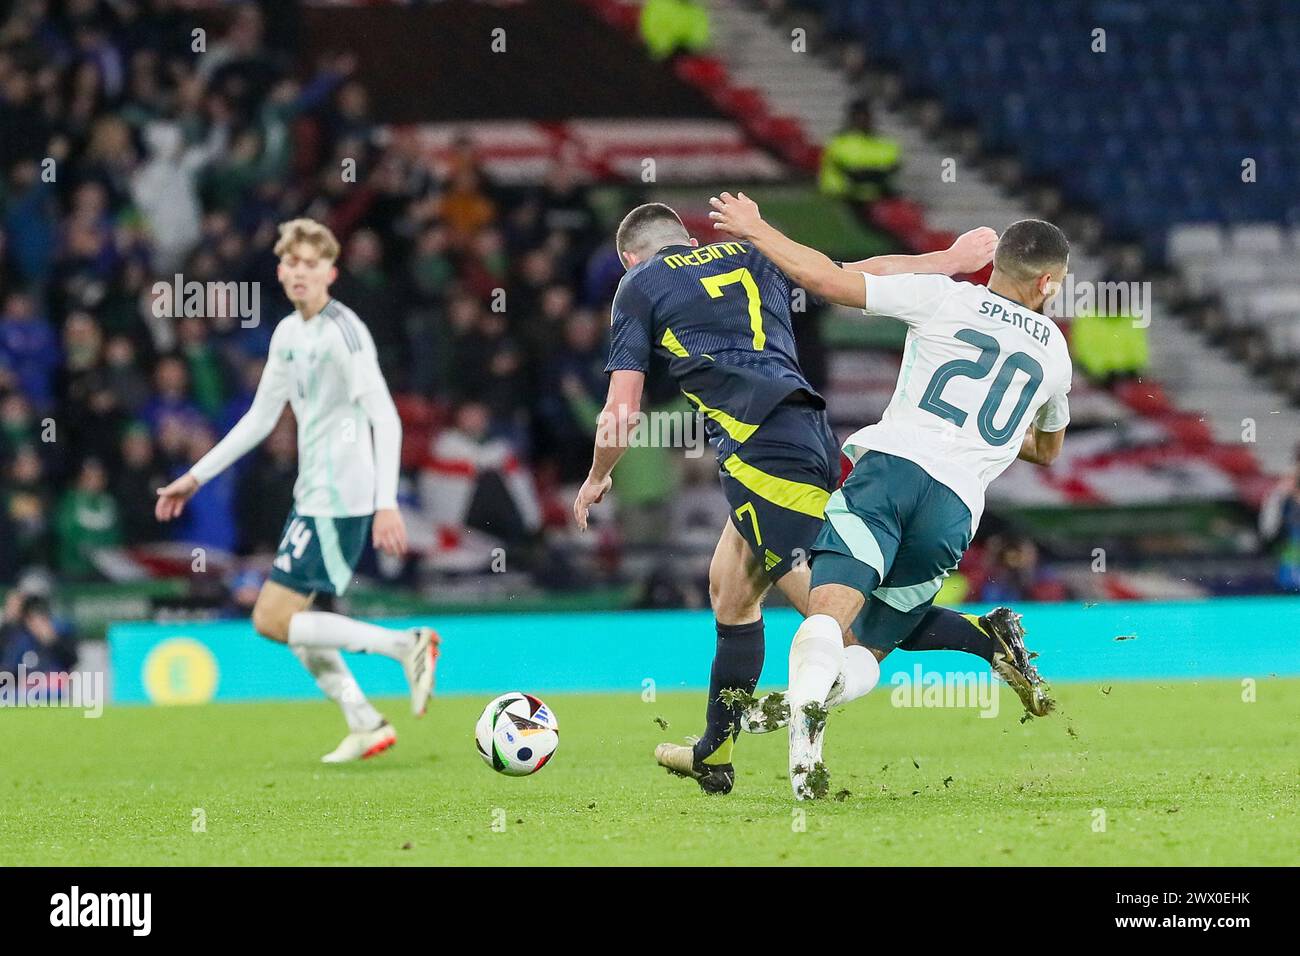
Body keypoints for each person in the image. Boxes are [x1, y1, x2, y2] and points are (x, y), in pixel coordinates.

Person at [572, 201, 1002, 794]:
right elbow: (856, 271)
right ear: (687, 239)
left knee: (837, 623)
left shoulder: (638, 285)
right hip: (803, 432)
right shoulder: (751, 251)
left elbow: (621, 412)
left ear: (629, 257)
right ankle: (714, 753)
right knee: (731, 588)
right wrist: (947, 260)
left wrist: (598, 476)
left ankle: (985, 637)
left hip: (762, 452)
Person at [710, 192, 1071, 799]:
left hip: (891, 473)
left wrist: (756, 228)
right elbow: (1046, 449)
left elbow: (826, 279)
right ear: (1047, 282)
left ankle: (802, 734)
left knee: (827, 616)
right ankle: (811, 705)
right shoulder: (1055, 354)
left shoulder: (946, 298)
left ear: (995, 268)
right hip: (954, 510)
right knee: (870, 649)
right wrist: (988, 433)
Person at [155, 218, 439, 763]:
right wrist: (197, 475)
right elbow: (261, 419)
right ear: (282, 272)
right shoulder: (289, 334)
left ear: (331, 272)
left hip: (344, 496)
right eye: (292, 264)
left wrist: (386, 502)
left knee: (271, 618)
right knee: (294, 626)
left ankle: (407, 645)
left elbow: (386, 416)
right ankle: (365, 721)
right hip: (313, 494)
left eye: (313, 264)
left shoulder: (344, 332)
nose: (301, 273)